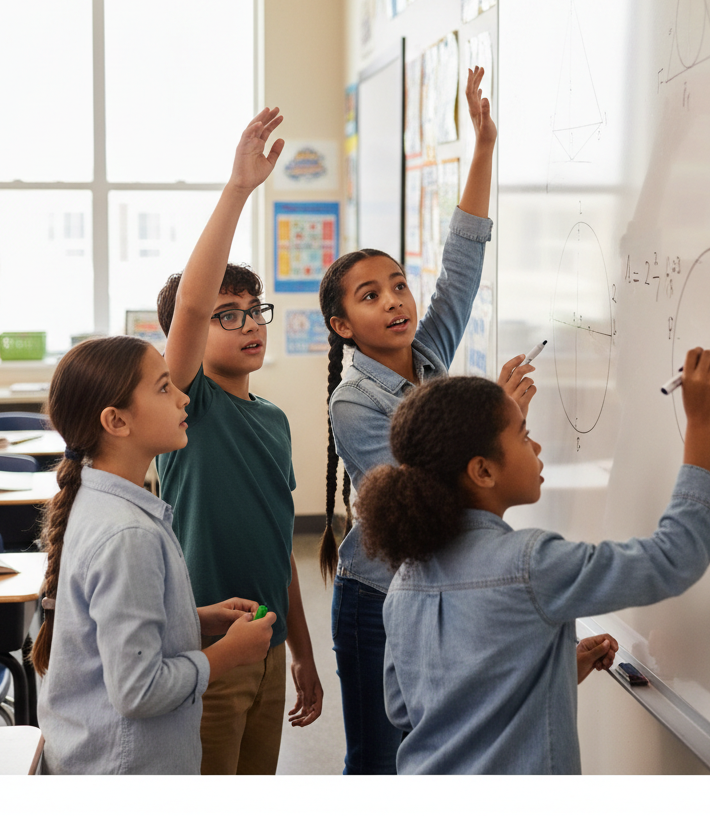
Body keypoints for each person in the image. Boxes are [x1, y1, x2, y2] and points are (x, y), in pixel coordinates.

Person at [356, 349, 710, 774]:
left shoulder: (405, 579)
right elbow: (672, 558)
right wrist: (701, 426)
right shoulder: (529, 565)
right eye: (523, 434)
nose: (536, 445)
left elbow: (406, 708)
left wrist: (547, 669)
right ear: (482, 471)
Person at [317, 67, 536, 774]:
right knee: (379, 764)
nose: (394, 301)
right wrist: (493, 418)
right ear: (342, 325)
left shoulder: (429, 351)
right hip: (377, 601)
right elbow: (426, 498)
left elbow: (462, 267)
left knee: (434, 756)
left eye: (398, 285)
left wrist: (483, 147)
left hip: (433, 592)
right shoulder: (354, 402)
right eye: (370, 295)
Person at [156, 106, 323, 776]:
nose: (249, 325)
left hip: (268, 646)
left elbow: (281, 544)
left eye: (254, 311)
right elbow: (191, 306)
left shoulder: (276, 420)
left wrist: (304, 651)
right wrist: (238, 189)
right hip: (205, 648)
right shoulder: (185, 402)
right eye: (229, 316)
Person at [33, 335, 276, 775]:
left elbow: (108, 629)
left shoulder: (102, 500)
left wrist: (192, 618)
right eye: (164, 387)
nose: (183, 398)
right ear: (117, 421)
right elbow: (139, 692)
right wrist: (229, 654)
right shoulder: (127, 533)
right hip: (126, 767)